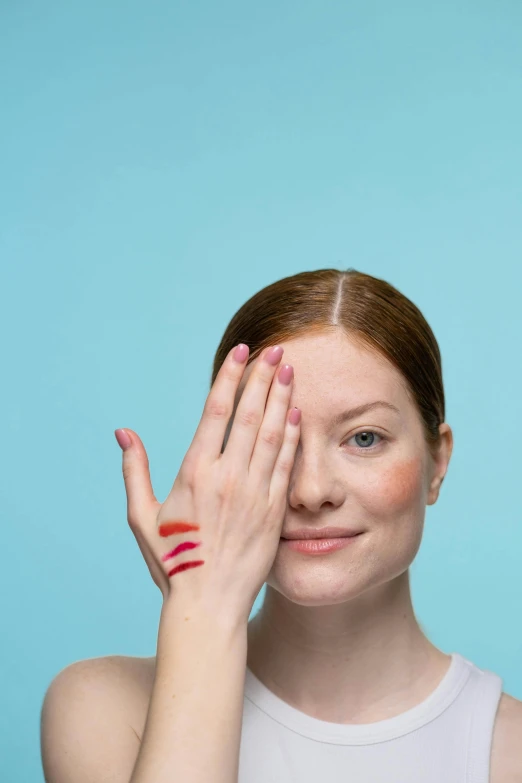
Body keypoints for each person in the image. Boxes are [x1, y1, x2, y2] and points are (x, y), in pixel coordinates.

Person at [40, 268, 522, 783]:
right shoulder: (105, 711)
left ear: (438, 462)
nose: (311, 492)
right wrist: (203, 611)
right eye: (274, 440)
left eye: (364, 438)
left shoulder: (510, 752)